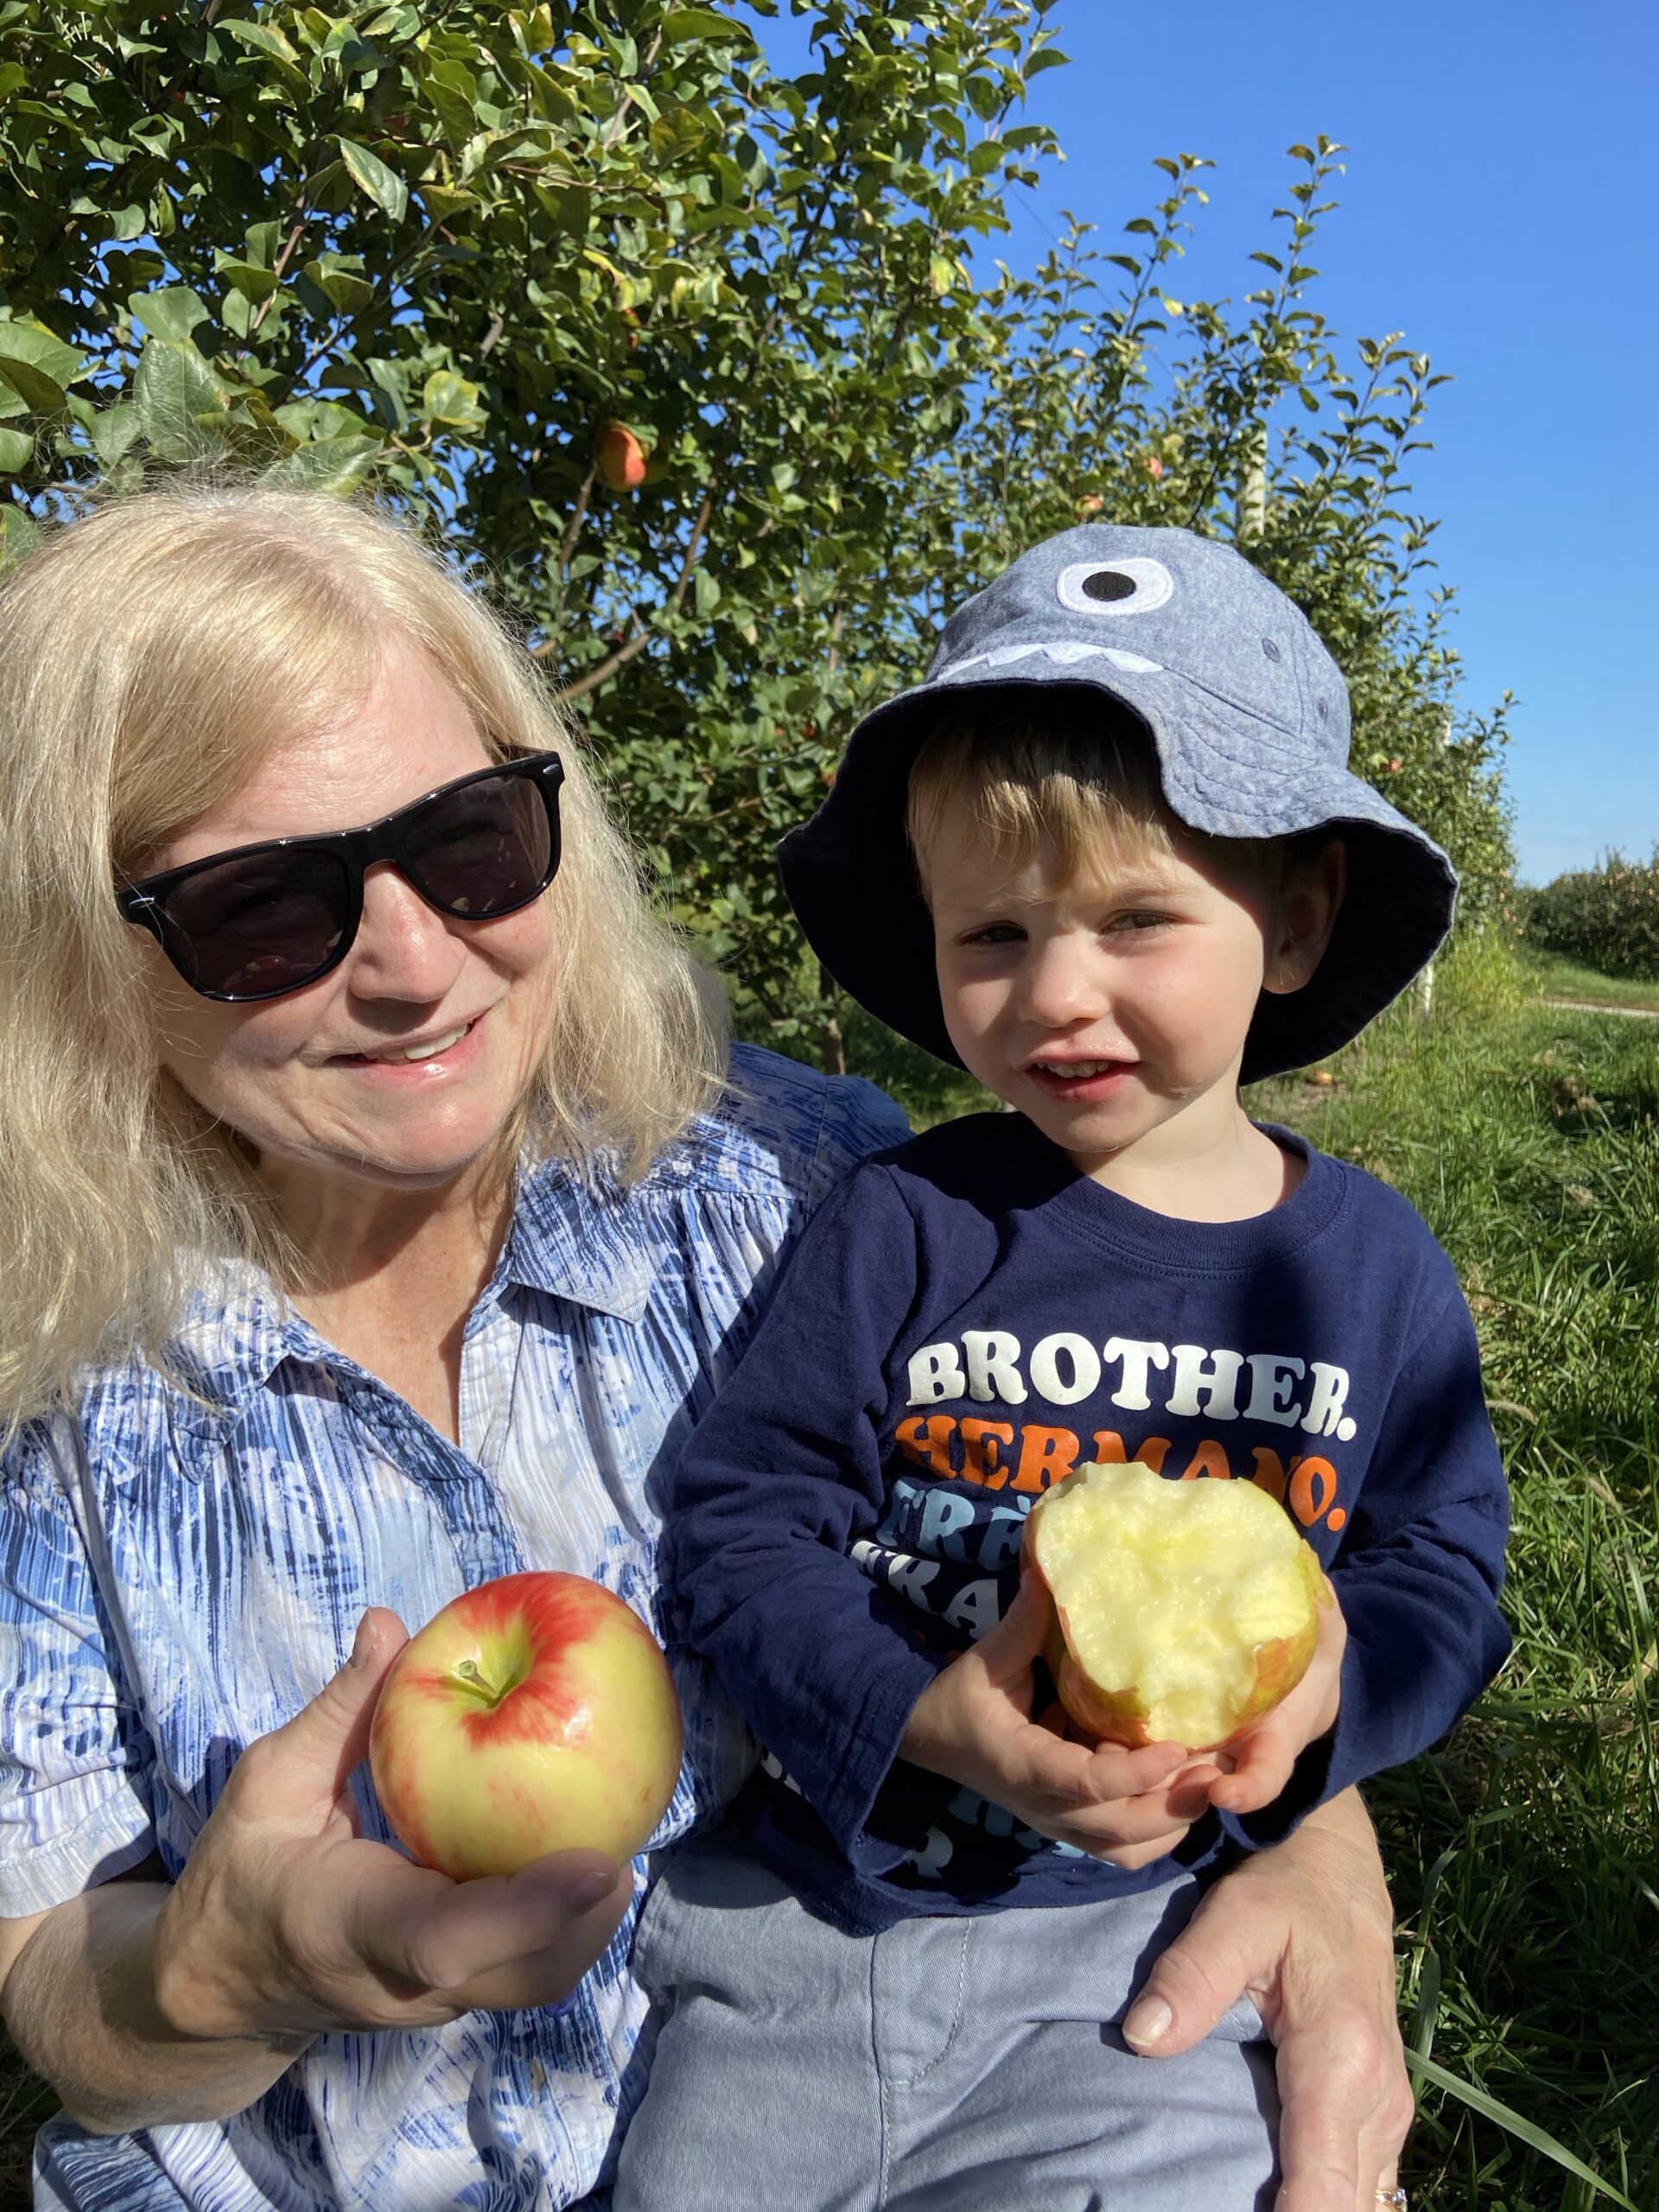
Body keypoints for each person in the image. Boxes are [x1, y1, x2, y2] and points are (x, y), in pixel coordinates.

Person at [0, 486, 1414, 2212]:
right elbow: (58, 1981)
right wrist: (229, 1970)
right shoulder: (47, 1377)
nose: (412, 960)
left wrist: (1314, 1825)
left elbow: (1171, 1509)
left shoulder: (800, 1192)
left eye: (467, 843)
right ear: (92, 956)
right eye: (259, 909)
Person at [615, 525, 1510, 2212]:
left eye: (1136, 917)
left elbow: (1446, 1563)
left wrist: (1330, 1698)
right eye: (996, 932)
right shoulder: (905, 1221)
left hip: (1140, 1960)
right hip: (805, 1928)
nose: (1061, 989)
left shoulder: (1366, 1270)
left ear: (1299, 919)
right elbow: (742, 1520)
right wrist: (919, 1710)